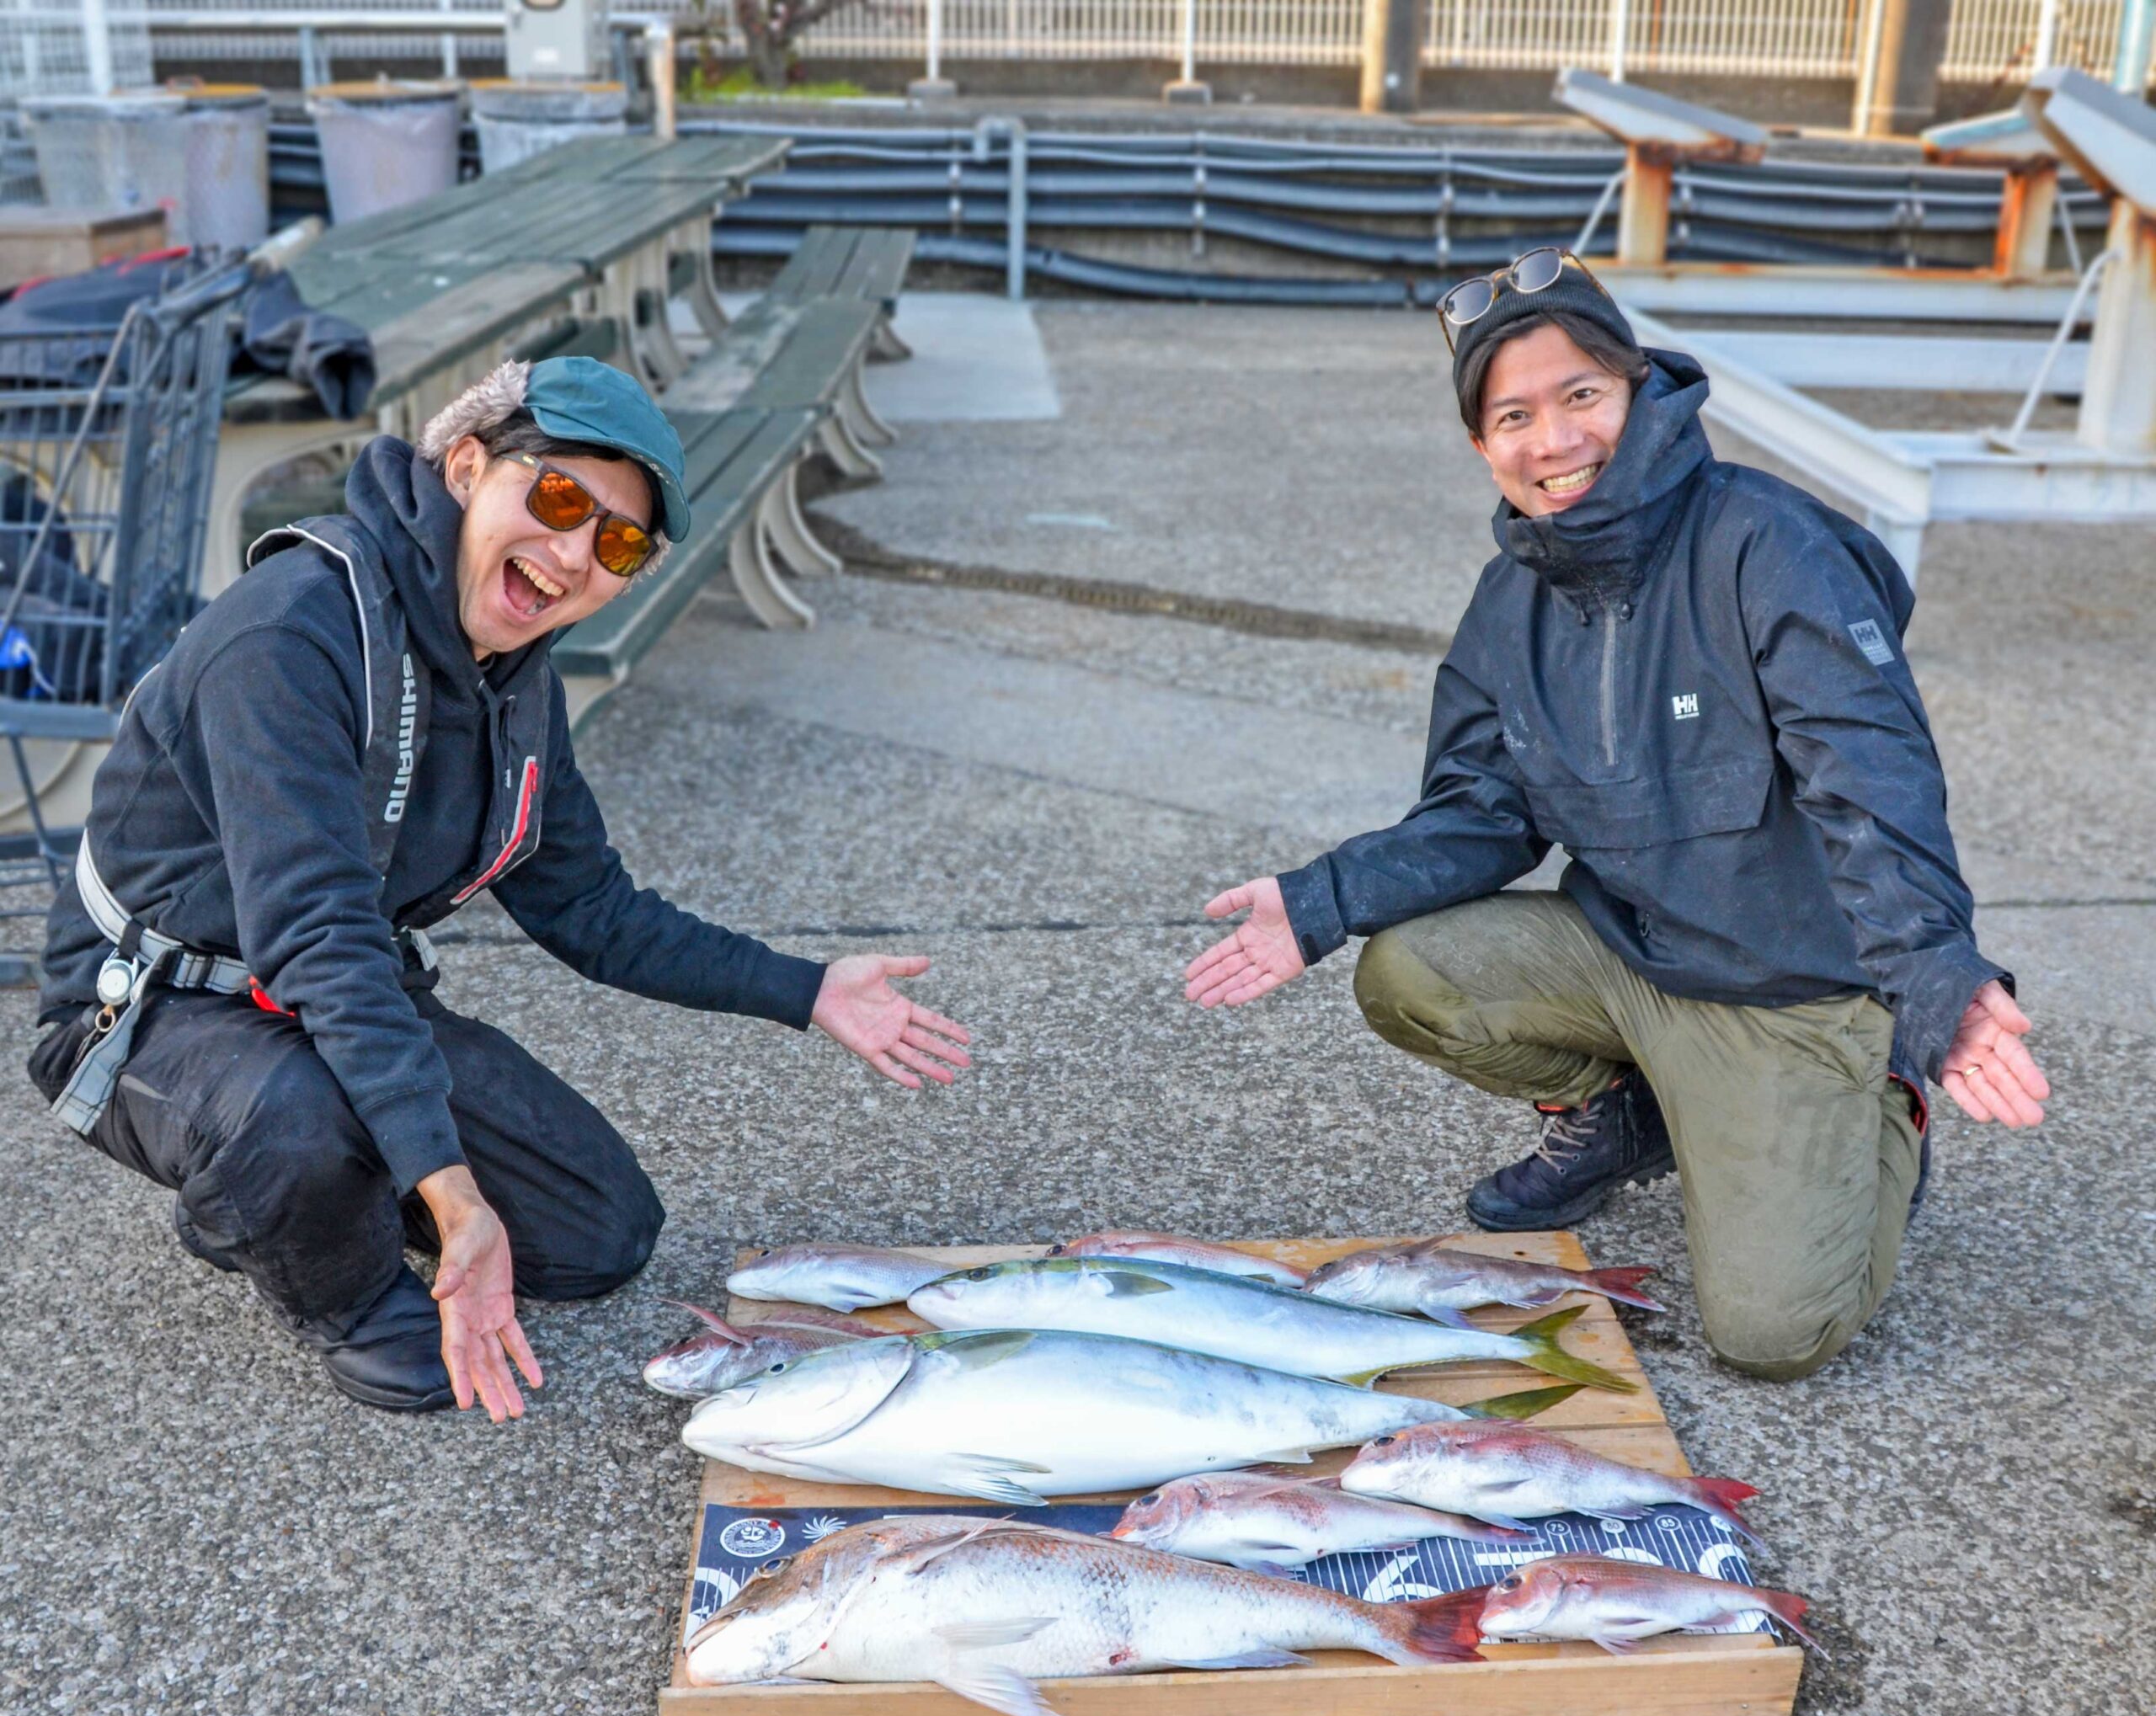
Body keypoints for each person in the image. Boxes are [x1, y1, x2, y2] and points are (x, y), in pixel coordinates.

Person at [29, 356, 972, 1419]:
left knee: (599, 1233)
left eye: (618, 542)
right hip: (155, 1011)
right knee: (355, 1237)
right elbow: (323, 937)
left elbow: (592, 909)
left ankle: (299, 1185)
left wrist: (808, 989)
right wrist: (452, 1193)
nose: (573, 553)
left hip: (321, 1005)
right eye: (560, 496)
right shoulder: (290, 634)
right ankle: (266, 1200)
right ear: (469, 464)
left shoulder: (517, 685)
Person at [1183, 248, 2047, 1382]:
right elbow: (1482, 813)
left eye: (1581, 394)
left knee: (1772, 1332)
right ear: (1482, 446)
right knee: (1407, 968)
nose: (1556, 441)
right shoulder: (1510, 601)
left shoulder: (1768, 546)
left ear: (1638, 387)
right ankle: (1630, 1107)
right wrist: (1319, 901)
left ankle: (1879, 1107)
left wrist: (1935, 977)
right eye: (1515, 416)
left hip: (1793, 993)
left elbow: (1869, 779)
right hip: (1632, 957)